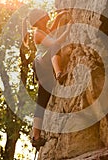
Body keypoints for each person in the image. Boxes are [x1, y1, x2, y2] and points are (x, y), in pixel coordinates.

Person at [23, 8, 72, 150]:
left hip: (43, 69)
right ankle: (59, 73)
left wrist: (58, 17)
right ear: (40, 20)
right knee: (55, 45)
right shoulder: (38, 33)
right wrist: (68, 29)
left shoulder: (42, 30)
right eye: (45, 16)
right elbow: (54, 41)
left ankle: (36, 136)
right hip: (43, 65)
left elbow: (52, 29)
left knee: (42, 101)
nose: (48, 16)